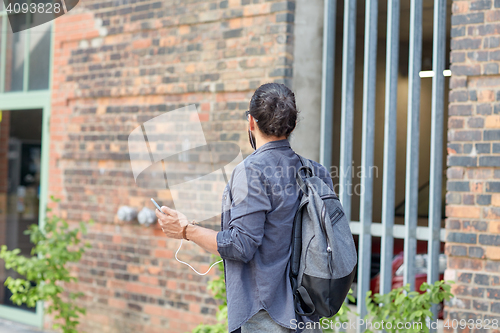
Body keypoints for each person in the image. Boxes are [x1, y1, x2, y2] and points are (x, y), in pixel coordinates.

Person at [156, 83, 333, 333]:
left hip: (266, 314)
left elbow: (241, 245)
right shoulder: (316, 172)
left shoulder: (252, 171)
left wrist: (186, 230)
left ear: (251, 122)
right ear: (292, 125)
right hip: (307, 311)